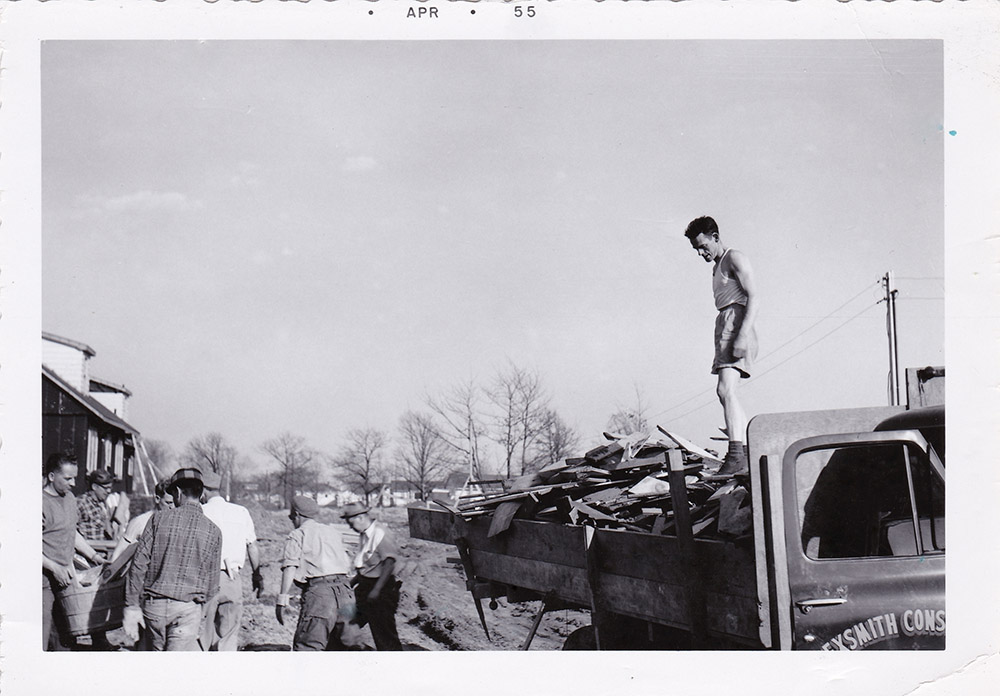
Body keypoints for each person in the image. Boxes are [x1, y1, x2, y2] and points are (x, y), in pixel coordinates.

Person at [684, 215, 759, 477]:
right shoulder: (716, 267)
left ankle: (737, 454)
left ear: (715, 237)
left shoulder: (734, 257)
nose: (701, 253)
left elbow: (754, 297)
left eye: (703, 246)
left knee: (725, 389)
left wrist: (742, 334)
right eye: (696, 249)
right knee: (726, 393)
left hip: (736, 321)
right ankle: (747, 450)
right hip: (725, 321)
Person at [123, 468, 222, 651]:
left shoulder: (157, 520)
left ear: (177, 492)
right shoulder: (213, 531)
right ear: (201, 494)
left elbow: (138, 565)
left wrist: (131, 605)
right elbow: (213, 583)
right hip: (188, 609)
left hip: (155, 608)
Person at [42, 452, 105, 650]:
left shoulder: (69, 499)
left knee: (66, 637)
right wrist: (53, 567)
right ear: (52, 477)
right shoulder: (38, 502)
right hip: (42, 580)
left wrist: (93, 555)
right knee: (41, 635)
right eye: (67, 478)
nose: (73, 483)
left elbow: (73, 533)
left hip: (66, 578)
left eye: (74, 478)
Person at [276, 496, 353, 651]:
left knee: (308, 647)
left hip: (320, 595)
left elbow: (290, 566)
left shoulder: (298, 534)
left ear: (296, 515)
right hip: (346, 592)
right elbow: (347, 560)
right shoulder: (332, 531)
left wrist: (282, 599)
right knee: (344, 650)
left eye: (292, 516)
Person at [199, 470, 262, 651]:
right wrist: (257, 575)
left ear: (203, 491)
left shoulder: (200, 512)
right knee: (228, 637)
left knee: (203, 633)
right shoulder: (241, 512)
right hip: (232, 578)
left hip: (205, 579)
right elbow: (252, 546)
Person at [342, 502, 403, 651]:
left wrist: (376, 590)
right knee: (346, 622)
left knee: (384, 634)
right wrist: (353, 582)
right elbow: (367, 565)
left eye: (351, 523)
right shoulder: (364, 535)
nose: (350, 527)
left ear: (361, 517)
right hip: (365, 585)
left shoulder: (380, 533)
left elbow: (389, 563)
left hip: (381, 588)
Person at [110, 480, 174, 563]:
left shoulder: (177, 523)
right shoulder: (140, 522)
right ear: (157, 499)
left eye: (174, 503)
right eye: (168, 503)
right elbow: (120, 551)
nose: (172, 507)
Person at [76, 468, 116, 542]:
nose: (109, 491)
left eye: (110, 488)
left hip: (102, 548)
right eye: (106, 488)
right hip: (88, 550)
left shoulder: (102, 503)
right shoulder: (81, 503)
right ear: (94, 486)